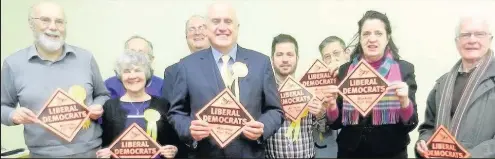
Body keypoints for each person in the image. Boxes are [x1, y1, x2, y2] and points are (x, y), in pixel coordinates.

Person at [168, 2, 283, 158]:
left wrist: (263, 127)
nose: (222, 27)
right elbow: (176, 113)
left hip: (249, 154)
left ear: (237, 27)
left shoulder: (261, 63)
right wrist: (189, 129)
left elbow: (275, 110)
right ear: (207, 27)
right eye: (216, 21)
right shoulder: (187, 66)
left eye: (228, 21)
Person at [0, 1, 109, 157]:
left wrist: (98, 106)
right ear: (31, 24)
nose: (53, 27)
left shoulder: (86, 58)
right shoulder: (13, 64)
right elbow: (2, 106)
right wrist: (13, 115)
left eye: (59, 21)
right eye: (45, 20)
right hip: (42, 155)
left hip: (90, 153)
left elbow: (103, 95)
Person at [325, 10, 418, 158]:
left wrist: (405, 102)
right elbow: (335, 123)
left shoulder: (403, 69)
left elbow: (411, 124)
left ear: (387, 37)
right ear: (360, 39)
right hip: (350, 152)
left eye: (378, 33)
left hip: (391, 153)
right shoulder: (345, 70)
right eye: (366, 34)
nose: (372, 39)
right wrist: (331, 107)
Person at [416, 13, 495, 158]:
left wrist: (470, 156)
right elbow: (429, 126)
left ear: (490, 39)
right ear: (457, 42)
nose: (472, 40)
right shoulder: (442, 84)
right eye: (465, 35)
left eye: (479, 34)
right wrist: (424, 141)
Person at [96, 51, 182, 158]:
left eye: (138, 70)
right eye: (126, 71)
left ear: (146, 74)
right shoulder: (109, 106)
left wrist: (173, 150)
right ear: (120, 76)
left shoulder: (163, 104)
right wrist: (104, 153)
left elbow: (175, 141)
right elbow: (105, 141)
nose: (132, 76)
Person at [265, 34, 326, 158]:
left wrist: (320, 113)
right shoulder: (264, 91)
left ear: (297, 58)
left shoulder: (310, 89)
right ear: (272, 58)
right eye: (279, 54)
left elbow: (323, 129)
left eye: (290, 54)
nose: (285, 59)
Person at [313, 35, 349, 158]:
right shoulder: (318, 84)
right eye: (327, 57)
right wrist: (320, 113)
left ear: (347, 53)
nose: (333, 59)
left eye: (336, 53)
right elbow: (322, 127)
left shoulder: (359, 75)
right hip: (329, 149)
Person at [162, 15, 210, 101]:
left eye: (202, 28)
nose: (197, 32)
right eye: (191, 29)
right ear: (186, 37)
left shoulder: (224, 66)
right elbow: (169, 108)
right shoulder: (172, 72)